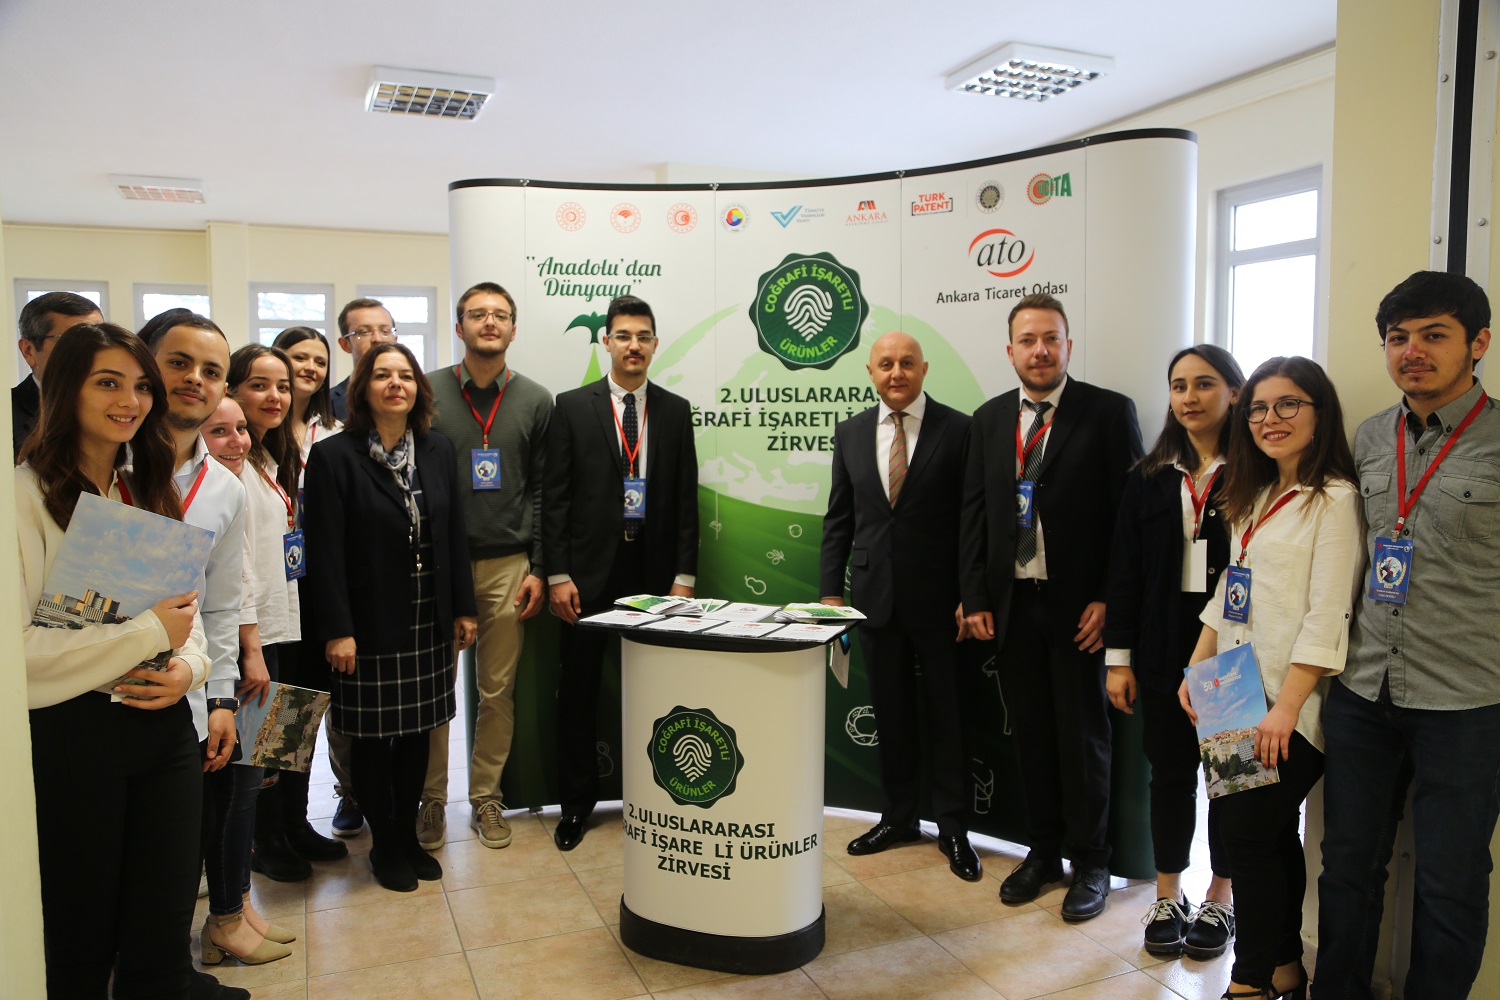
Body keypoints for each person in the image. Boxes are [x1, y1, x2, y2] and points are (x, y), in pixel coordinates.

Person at [1316, 271, 1500, 1000]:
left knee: (1452, 880)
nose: (1412, 351)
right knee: (1347, 866)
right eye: (1398, 337)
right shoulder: (1369, 436)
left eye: (1434, 335)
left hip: (1467, 700)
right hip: (1363, 692)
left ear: (1478, 343)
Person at [18, 322, 210, 998]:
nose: (129, 401)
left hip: (162, 729)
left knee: (162, 921)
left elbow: (185, 615)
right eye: (108, 383)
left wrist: (189, 669)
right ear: (65, 389)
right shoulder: (21, 499)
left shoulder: (140, 488)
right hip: (75, 739)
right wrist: (147, 633)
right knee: (81, 930)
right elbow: (19, 656)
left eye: (140, 387)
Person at [1180, 355, 1362, 1000]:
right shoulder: (1252, 494)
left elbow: (1328, 611)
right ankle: (1284, 965)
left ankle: (1250, 980)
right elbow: (1232, 590)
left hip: (1289, 701)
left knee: (1250, 835)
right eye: (1258, 407)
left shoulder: (1334, 499)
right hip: (1233, 689)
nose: (1270, 419)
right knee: (1257, 833)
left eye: (1288, 404)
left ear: (1319, 412)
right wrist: (1197, 663)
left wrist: (1286, 708)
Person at [959, 293, 1143, 921]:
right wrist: (975, 595)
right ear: (1009, 350)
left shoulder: (1108, 412)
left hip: (1079, 613)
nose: (1040, 351)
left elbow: (1129, 518)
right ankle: (1042, 853)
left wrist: (1110, 599)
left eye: (1051, 339)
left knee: (1084, 738)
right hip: (1013, 606)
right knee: (1032, 736)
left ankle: (1092, 861)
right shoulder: (988, 419)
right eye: (1028, 340)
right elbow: (974, 514)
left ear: (1068, 345)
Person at [302, 343, 477, 892]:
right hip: (368, 623)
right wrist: (338, 629)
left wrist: (464, 606)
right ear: (363, 388)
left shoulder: (438, 449)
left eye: (405, 375)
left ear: (418, 389)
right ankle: (384, 845)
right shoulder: (334, 456)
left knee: (420, 733)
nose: (395, 384)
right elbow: (324, 551)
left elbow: (453, 533)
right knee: (374, 740)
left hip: (428, 619)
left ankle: (406, 837)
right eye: (382, 375)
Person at [141, 313, 282, 988]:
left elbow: (222, 604)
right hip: (97, 694)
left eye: (211, 370)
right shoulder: (106, 464)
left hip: (192, 694)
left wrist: (220, 697)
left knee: (181, 845)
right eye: (178, 363)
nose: (195, 379)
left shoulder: (224, 487)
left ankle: (169, 970)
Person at [818, 331, 979, 881]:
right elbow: (840, 518)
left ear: (924, 369)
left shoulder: (959, 429)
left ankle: (953, 827)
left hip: (943, 604)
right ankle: (899, 817)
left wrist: (970, 593)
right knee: (891, 715)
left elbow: (972, 520)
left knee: (949, 716)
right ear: (870, 372)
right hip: (875, 600)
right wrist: (830, 593)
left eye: (907, 363)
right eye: (885, 364)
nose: (896, 373)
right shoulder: (850, 432)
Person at [544, 294, 698, 852]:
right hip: (586, 578)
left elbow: (686, 500)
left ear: (655, 345)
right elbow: (555, 498)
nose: (634, 346)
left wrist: (685, 577)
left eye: (644, 336)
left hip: (654, 576)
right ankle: (575, 806)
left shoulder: (675, 410)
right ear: (606, 342)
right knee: (579, 694)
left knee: (657, 693)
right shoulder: (571, 406)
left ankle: (657, 800)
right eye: (624, 336)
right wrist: (557, 574)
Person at [1104, 345, 1242, 957]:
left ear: (1234, 392)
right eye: (1179, 385)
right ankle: (1168, 893)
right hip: (1161, 650)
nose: (1190, 397)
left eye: (1205, 384)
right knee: (1170, 776)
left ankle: (1220, 897)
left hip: (1233, 656)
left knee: (1232, 780)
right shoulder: (1149, 476)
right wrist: (1118, 659)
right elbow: (1124, 572)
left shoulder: (1258, 471)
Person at [419, 282, 553, 851]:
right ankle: (431, 799)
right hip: (439, 567)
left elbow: (544, 490)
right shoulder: (426, 392)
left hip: (508, 566)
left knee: (497, 692)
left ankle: (486, 798)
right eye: (478, 314)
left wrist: (539, 567)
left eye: (500, 315)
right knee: (435, 690)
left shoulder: (536, 400)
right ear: (460, 327)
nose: (489, 322)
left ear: (514, 330)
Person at [226, 345, 322, 883]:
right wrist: (250, 643)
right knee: (257, 744)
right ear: (233, 390)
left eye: (282, 387)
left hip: (285, 616)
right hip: (252, 627)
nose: (275, 396)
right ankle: (265, 841)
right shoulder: (230, 460)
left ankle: (293, 825)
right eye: (259, 385)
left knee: (287, 731)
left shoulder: (269, 457)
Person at [271, 325, 358, 852]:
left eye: (319, 361)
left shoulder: (334, 430)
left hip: (316, 584)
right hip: (270, 584)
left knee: (305, 705)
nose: (309, 368)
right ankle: (268, 833)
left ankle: (296, 822)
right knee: (274, 709)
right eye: (297, 357)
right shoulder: (257, 429)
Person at [13, 290, 103, 454]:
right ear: (28, 351)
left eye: (99, 340)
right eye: (72, 341)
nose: (90, 352)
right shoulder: (7, 414)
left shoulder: (121, 406)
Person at [274, 326, 339, 461]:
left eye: (320, 363)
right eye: (300, 358)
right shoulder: (256, 425)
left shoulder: (336, 432)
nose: (311, 368)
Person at [329, 298, 397, 420]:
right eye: (364, 332)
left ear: (395, 340)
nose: (377, 339)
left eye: (385, 331)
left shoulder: (415, 398)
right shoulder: (326, 403)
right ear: (345, 344)